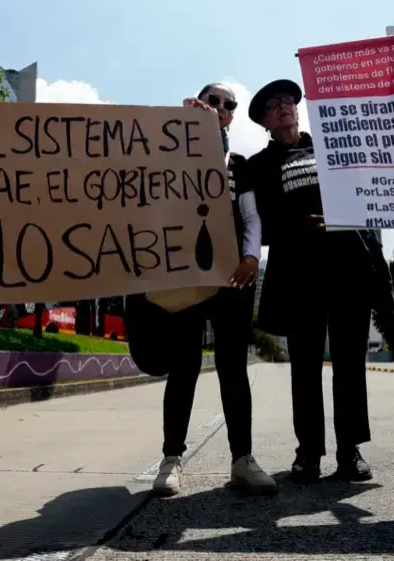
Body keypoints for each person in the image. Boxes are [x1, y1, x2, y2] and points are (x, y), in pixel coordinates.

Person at [247, 79, 394, 484]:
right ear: (263, 120)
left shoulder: (333, 150)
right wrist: (296, 226)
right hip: (297, 278)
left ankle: (350, 452)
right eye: (272, 105)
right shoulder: (260, 167)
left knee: (349, 364)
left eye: (288, 101)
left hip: (346, 271)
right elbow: (255, 226)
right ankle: (308, 454)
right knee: (306, 369)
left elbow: (365, 198)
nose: (283, 106)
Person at [147, 83, 277, 496]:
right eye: (213, 101)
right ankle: (171, 459)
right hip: (188, 276)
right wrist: (177, 125)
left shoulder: (240, 165)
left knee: (233, 367)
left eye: (228, 104)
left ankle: (242, 458)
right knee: (184, 365)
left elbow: (251, 216)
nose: (221, 108)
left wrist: (252, 257)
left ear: (233, 115)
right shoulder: (173, 153)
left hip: (233, 278)